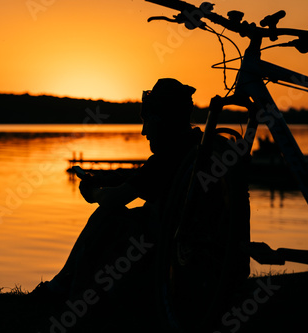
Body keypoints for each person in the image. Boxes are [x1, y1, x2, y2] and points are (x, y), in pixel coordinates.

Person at [30, 78, 205, 300]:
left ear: (162, 121)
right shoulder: (194, 147)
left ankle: (62, 286)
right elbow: (140, 178)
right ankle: (70, 284)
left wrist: (93, 193)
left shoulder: (168, 159)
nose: (143, 131)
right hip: (195, 251)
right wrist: (106, 177)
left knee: (106, 213)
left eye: (147, 121)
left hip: (165, 249)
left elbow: (115, 199)